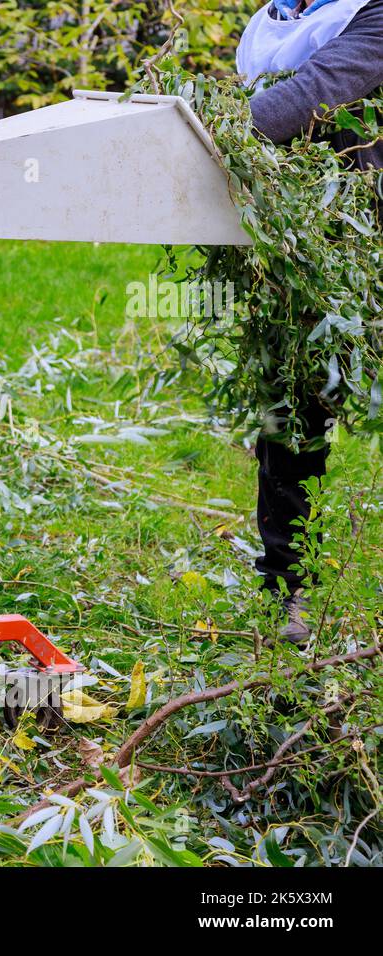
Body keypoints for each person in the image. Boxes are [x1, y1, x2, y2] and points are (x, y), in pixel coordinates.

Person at [235, 0, 383, 642]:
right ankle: (288, 590)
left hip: (364, 246)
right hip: (294, 254)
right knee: (289, 419)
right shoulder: (274, 15)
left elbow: (317, 93)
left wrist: (218, 131)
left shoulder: (371, 12)